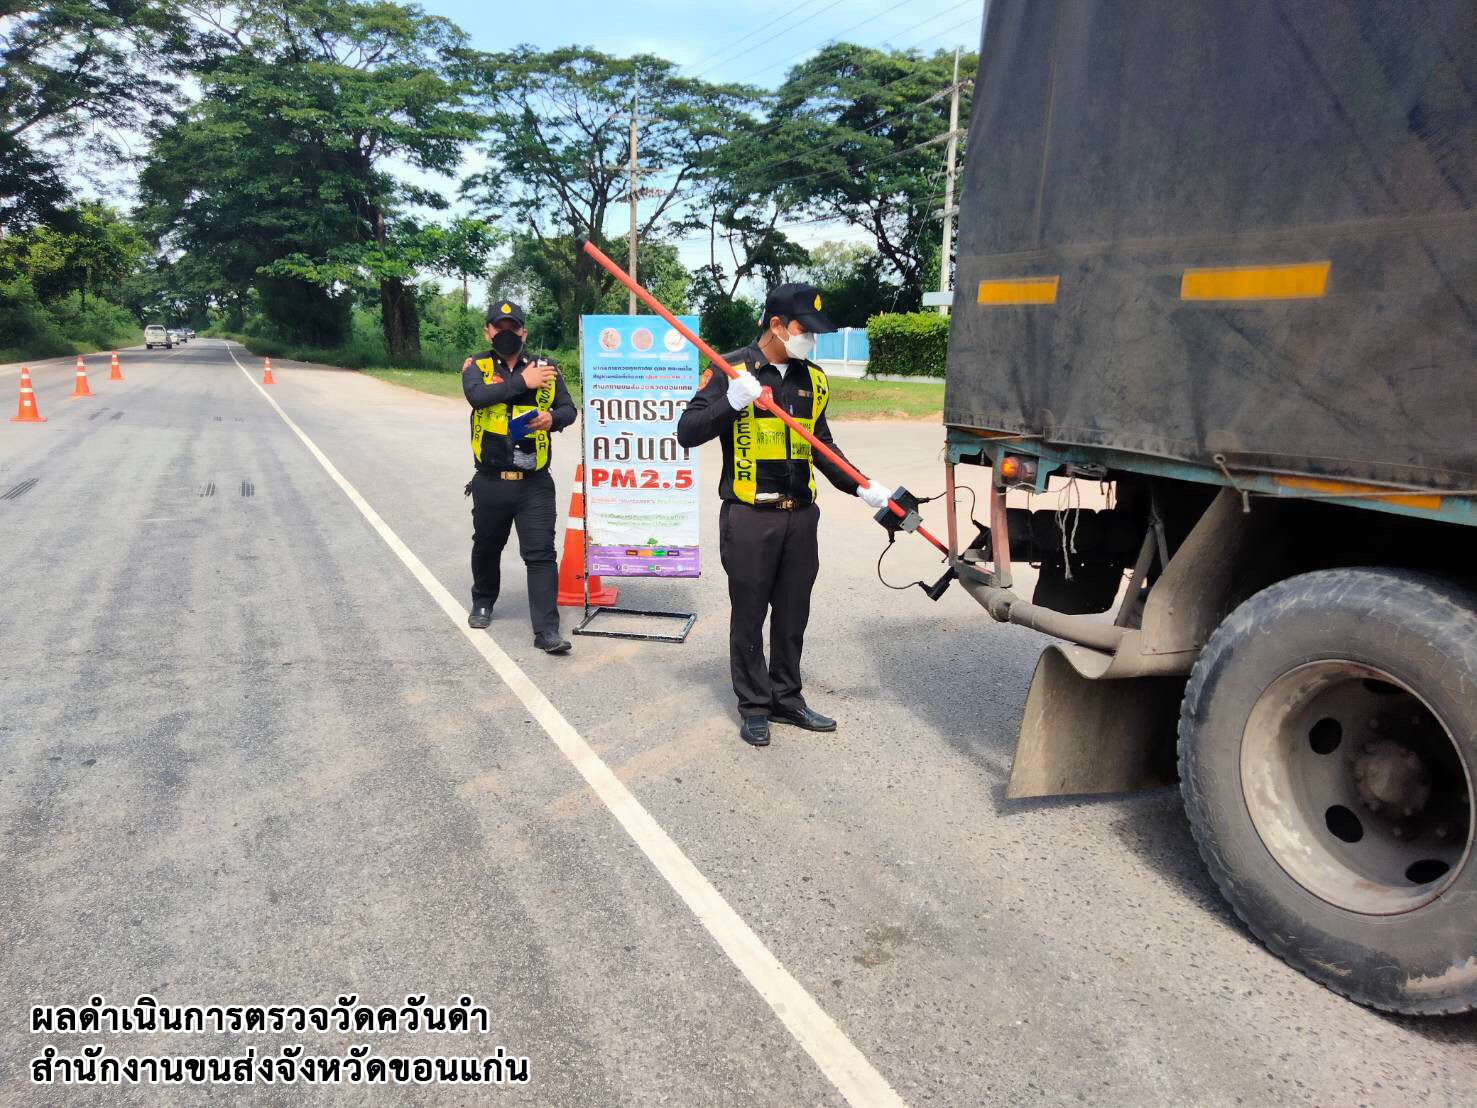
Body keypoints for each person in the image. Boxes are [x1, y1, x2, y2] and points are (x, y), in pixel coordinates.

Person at [677, 283, 893, 746]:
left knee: (793, 614)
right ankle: (755, 706)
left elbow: (822, 446)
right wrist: (730, 403)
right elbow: (688, 431)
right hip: (750, 517)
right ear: (776, 326)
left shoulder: (812, 379)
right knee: (750, 615)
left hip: (801, 518)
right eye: (802, 330)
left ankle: (787, 698)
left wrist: (861, 485)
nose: (809, 340)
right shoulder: (729, 372)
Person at [462, 298, 578, 654]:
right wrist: (522, 382)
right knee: (487, 545)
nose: (507, 334)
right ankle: (483, 601)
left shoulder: (546, 368)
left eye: (514, 328)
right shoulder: (476, 366)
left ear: (524, 332)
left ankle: (547, 631)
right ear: (488, 331)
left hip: (534, 483)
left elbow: (568, 409)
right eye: (500, 328)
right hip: (491, 479)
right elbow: (477, 397)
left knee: (541, 553)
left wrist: (552, 420)